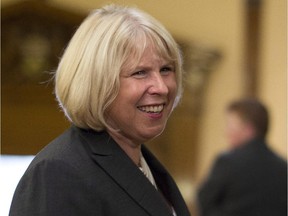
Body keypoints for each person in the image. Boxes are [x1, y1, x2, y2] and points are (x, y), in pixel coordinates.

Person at [9, 5, 190, 216]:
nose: (161, 87)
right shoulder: (58, 173)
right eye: (140, 72)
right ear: (97, 83)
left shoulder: (147, 166)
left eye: (166, 69)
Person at [197, 98, 287, 216]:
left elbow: (205, 201)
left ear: (248, 129)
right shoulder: (283, 167)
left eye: (230, 125)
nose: (226, 132)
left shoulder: (228, 161)